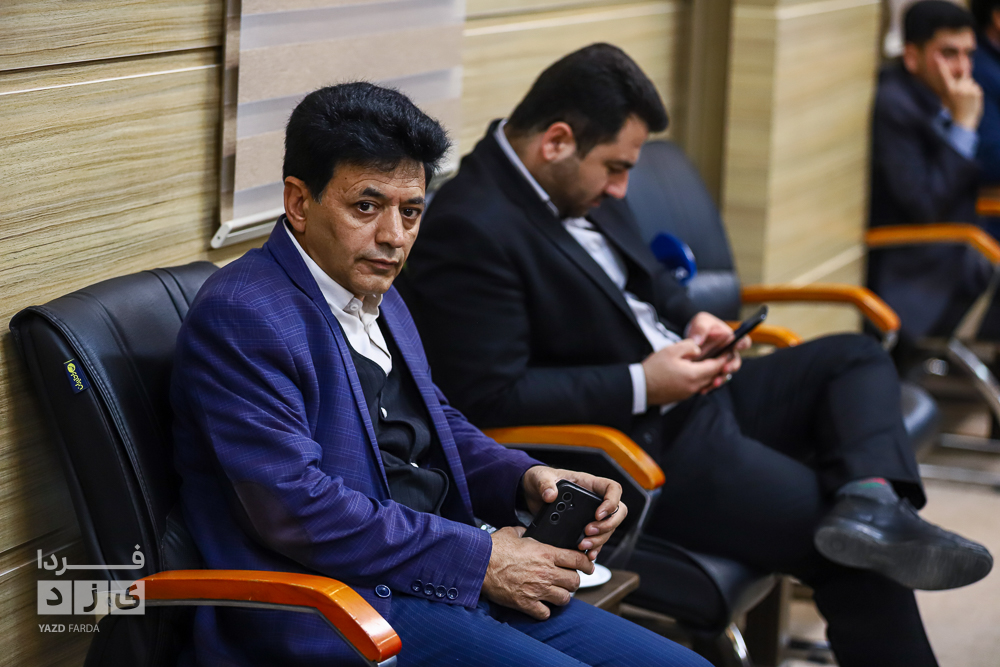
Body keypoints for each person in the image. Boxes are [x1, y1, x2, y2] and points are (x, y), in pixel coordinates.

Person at [400, 43, 994, 667]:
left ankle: (873, 500)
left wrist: (693, 319)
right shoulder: (471, 225)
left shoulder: (581, 182)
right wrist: (642, 382)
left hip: (694, 394)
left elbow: (649, 278)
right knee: (861, 558)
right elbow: (489, 399)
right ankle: (870, 522)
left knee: (854, 357)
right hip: (643, 445)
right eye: (615, 169)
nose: (623, 187)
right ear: (556, 142)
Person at [170, 82, 710, 667]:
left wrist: (526, 479)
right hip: (338, 607)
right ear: (299, 202)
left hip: (438, 574)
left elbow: (435, 420)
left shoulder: (376, 287)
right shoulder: (244, 312)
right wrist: (481, 558)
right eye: (366, 207)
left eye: (411, 211)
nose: (394, 237)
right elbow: (298, 509)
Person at [868, 0, 993, 344]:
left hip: (958, 241)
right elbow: (924, 204)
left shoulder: (944, 96)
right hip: (911, 263)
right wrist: (964, 125)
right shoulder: (894, 105)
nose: (962, 68)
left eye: (968, 54)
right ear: (912, 57)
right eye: (949, 54)